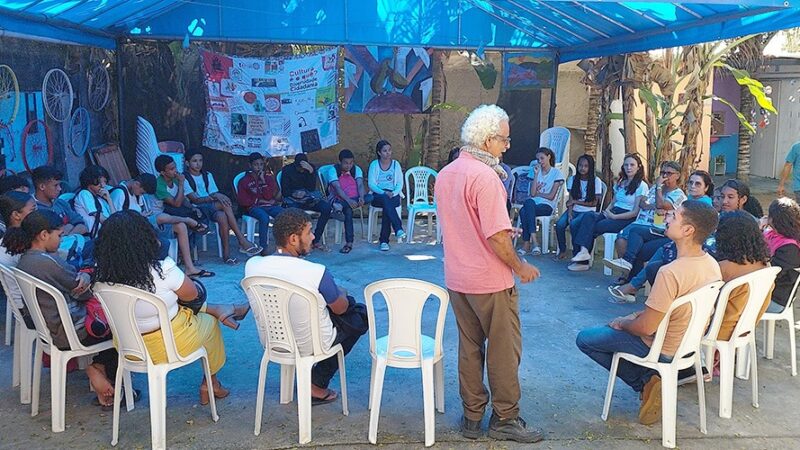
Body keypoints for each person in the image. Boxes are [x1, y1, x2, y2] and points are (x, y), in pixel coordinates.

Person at [435, 104, 543, 443]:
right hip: (489, 279)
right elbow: (497, 236)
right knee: (503, 350)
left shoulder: (447, 173)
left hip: (458, 277)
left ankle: (472, 417)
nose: (507, 146)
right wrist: (520, 266)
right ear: (486, 139)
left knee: (469, 348)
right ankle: (505, 418)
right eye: (503, 140)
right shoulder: (486, 177)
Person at [576, 200, 722, 425]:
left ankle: (645, 381)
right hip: (687, 347)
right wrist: (634, 317)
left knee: (586, 339)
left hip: (661, 348)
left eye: (674, 216)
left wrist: (622, 323)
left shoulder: (670, 272)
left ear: (687, 230)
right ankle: (650, 381)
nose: (666, 218)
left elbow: (646, 328)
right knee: (622, 326)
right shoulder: (711, 264)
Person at [93, 211, 249, 404]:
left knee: (176, 307)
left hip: (128, 347)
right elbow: (193, 295)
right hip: (168, 346)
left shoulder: (101, 278)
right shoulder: (162, 269)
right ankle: (211, 383)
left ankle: (221, 309)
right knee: (208, 322)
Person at [244, 208, 368, 405]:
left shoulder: (252, 266)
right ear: (293, 239)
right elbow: (340, 309)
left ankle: (303, 384)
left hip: (273, 340)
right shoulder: (315, 272)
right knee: (359, 315)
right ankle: (317, 384)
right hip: (312, 344)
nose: (313, 237)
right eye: (309, 232)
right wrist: (340, 293)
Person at [7, 210, 119, 407]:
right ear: (44, 235)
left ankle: (99, 368)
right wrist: (86, 275)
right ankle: (111, 381)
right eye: (59, 235)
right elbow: (80, 288)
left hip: (53, 328)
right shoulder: (46, 263)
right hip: (70, 331)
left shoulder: (26, 260)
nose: (61, 239)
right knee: (120, 326)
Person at [609, 170, 715, 303]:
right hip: (671, 235)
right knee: (639, 244)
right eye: (691, 182)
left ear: (706, 188)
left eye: (698, 184)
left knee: (648, 245)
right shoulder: (691, 200)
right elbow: (646, 203)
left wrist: (660, 194)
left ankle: (631, 284)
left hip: (683, 242)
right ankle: (631, 285)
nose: (692, 186)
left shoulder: (701, 204)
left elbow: (685, 226)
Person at [568, 154, 649, 271]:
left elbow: (635, 212)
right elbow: (613, 201)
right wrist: (607, 211)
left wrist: (615, 217)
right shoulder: (622, 182)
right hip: (613, 212)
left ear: (639, 167)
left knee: (592, 226)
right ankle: (583, 252)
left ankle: (583, 261)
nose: (629, 168)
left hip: (625, 217)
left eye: (632, 165)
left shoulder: (641, 185)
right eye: (626, 165)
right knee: (588, 217)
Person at [604, 161, 686, 275]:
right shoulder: (653, 189)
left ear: (677, 175)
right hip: (641, 221)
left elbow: (661, 205)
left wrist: (658, 188)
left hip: (657, 227)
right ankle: (626, 271)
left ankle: (628, 268)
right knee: (621, 238)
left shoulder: (678, 195)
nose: (665, 176)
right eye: (662, 173)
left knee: (635, 234)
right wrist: (654, 204)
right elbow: (642, 203)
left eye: (669, 173)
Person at [183, 150, 261, 263]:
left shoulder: (207, 175)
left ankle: (226, 255)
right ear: (187, 163)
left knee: (222, 216)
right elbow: (194, 199)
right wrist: (214, 197)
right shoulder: (184, 178)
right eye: (194, 161)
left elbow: (213, 192)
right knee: (224, 204)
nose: (198, 164)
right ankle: (242, 240)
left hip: (211, 207)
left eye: (200, 160)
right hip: (197, 208)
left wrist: (219, 196)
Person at [279, 152, 332, 252]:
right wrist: (294, 194)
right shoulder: (287, 170)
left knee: (326, 208)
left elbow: (311, 188)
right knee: (295, 213)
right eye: (300, 168)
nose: (302, 170)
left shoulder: (310, 169)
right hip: (292, 198)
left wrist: (311, 172)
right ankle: (298, 242)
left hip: (307, 197)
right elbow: (284, 191)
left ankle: (315, 239)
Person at [517, 147, 564, 255]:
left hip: (546, 206)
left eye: (542, 158)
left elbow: (551, 196)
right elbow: (532, 193)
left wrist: (539, 194)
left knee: (525, 210)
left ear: (549, 157)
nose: (540, 161)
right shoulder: (535, 171)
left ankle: (527, 244)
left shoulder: (556, 173)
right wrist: (536, 175)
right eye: (538, 159)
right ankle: (534, 242)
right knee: (527, 206)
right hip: (533, 205)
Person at [554, 154, 602, 260]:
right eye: (580, 165)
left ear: (590, 167)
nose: (582, 168)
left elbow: (594, 203)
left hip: (588, 213)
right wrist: (570, 213)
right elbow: (570, 200)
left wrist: (576, 202)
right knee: (559, 225)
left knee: (574, 225)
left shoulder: (596, 181)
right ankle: (562, 250)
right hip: (574, 210)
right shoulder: (573, 179)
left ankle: (578, 253)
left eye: (586, 166)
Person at [236, 152, 284, 256]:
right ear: (250, 165)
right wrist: (260, 201)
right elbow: (243, 201)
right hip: (252, 208)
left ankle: (283, 245)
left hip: (268, 206)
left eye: (261, 164)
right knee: (264, 217)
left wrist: (263, 181)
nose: (259, 167)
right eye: (256, 164)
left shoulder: (267, 178)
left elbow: (268, 196)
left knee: (283, 214)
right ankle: (263, 247)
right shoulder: (244, 181)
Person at [326, 149, 371, 254]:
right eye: (346, 163)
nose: (349, 166)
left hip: (354, 198)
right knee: (348, 210)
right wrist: (349, 201)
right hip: (340, 197)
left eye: (351, 163)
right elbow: (337, 188)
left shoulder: (356, 169)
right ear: (340, 162)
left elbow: (360, 185)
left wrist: (361, 198)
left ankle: (338, 208)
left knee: (370, 198)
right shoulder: (333, 170)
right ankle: (349, 243)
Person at [154, 154, 209, 235]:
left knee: (201, 211)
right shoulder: (159, 184)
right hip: (165, 211)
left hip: (179, 208)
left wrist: (193, 207)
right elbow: (176, 204)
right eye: (172, 169)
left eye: (175, 167)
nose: (175, 171)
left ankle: (196, 230)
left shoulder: (176, 178)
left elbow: (183, 199)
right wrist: (181, 184)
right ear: (163, 172)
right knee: (187, 218)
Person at [761, 197, 800, 313]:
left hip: (776, 300)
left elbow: (770, 275)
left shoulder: (789, 248)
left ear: (775, 220)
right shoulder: (775, 234)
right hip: (769, 293)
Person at [31, 165, 89, 240]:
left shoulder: (61, 203)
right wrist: (69, 227)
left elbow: (83, 226)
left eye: (59, 185)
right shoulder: (32, 208)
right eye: (55, 185)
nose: (60, 188)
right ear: (42, 186)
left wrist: (68, 235)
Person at [368, 140, 406, 251]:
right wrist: (384, 193)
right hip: (378, 194)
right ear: (379, 153)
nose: (388, 153)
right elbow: (371, 184)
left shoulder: (395, 164)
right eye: (385, 151)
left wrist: (393, 193)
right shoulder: (374, 164)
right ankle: (398, 228)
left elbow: (400, 183)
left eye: (389, 150)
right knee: (385, 200)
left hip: (393, 194)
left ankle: (384, 241)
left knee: (387, 206)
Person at [73, 165, 116, 238]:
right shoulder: (84, 194)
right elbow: (103, 220)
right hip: (97, 236)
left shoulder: (100, 197)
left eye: (104, 182)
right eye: (99, 182)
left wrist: (109, 200)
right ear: (89, 181)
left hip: (107, 233)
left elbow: (115, 217)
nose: (103, 185)